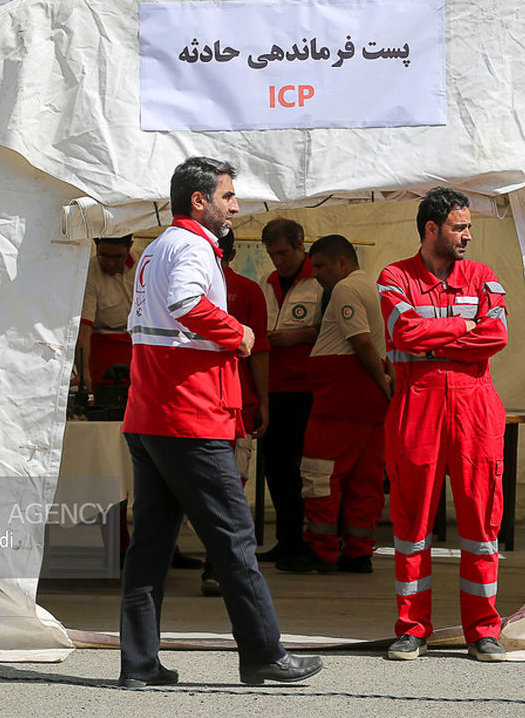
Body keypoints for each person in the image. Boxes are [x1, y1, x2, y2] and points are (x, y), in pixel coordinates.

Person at [119, 156, 322, 688]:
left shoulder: (154, 250)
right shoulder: (191, 246)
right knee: (234, 540)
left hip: (150, 415)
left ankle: (139, 665)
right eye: (229, 196)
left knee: (149, 548)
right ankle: (263, 654)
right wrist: (238, 332)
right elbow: (188, 303)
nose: (236, 206)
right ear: (199, 201)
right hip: (190, 416)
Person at [378, 186, 510, 663]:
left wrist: (433, 342)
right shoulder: (394, 276)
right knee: (411, 526)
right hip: (418, 407)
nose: (468, 236)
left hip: (476, 410)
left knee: (481, 526)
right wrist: (462, 330)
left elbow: (497, 334)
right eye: (459, 227)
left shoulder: (483, 275)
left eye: (469, 227)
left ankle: (483, 631)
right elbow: (403, 331)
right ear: (431, 229)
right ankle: (413, 629)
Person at [276, 234, 391, 575]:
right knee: (364, 478)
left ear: (343, 262)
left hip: (341, 397)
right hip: (367, 402)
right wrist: (385, 381)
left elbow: (360, 340)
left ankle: (320, 550)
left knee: (319, 474)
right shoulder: (374, 288)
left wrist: (379, 378)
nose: (318, 275)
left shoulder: (344, 289)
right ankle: (359, 552)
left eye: (323, 266)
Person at [201, 228, 270, 597]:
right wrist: (263, 401)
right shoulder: (248, 290)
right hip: (236, 403)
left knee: (193, 486)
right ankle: (222, 567)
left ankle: (214, 564)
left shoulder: (183, 283)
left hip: (199, 403)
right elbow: (258, 352)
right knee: (232, 488)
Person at [255, 218, 322, 564]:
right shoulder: (266, 283)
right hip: (273, 387)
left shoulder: (320, 280)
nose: (277, 261)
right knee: (276, 469)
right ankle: (287, 538)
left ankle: (308, 541)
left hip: (307, 389)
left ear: (300, 245)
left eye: (282, 253)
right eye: (272, 254)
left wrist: (298, 336)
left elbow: (336, 330)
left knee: (305, 470)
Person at [77, 235, 134, 389]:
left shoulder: (144, 264)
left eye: (118, 257)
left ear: (130, 246)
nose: (110, 263)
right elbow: (84, 329)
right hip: (102, 345)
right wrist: (84, 373)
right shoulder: (90, 271)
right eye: (104, 256)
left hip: (138, 344)